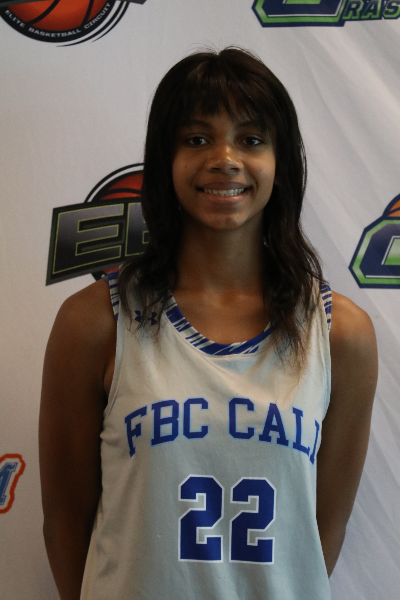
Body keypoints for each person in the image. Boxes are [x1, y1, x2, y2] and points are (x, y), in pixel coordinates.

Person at [39, 48, 378, 600]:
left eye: (251, 139)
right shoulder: (97, 321)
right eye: (196, 139)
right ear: (165, 159)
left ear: (280, 161)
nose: (225, 159)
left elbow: (321, 534)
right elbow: (64, 522)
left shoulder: (341, 333)